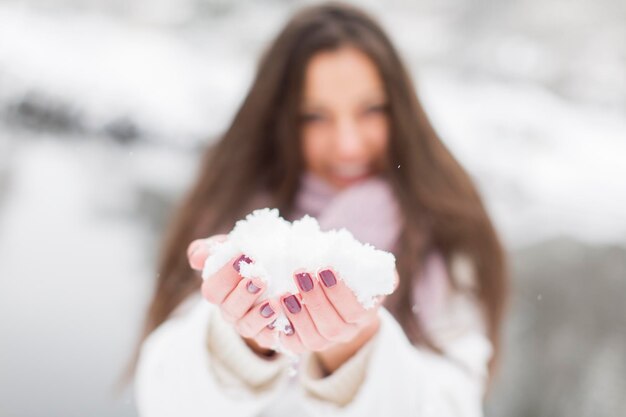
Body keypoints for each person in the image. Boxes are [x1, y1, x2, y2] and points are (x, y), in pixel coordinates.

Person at [130, 2, 508, 416]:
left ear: (401, 110)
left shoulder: (446, 228)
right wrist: (243, 342)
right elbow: (162, 396)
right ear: (279, 119)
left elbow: (454, 404)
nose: (347, 144)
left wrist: (355, 346)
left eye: (371, 110)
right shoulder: (230, 206)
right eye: (314, 117)